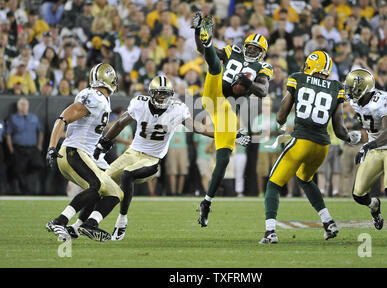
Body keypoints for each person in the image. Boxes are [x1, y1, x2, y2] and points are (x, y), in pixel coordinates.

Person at [77, 75, 250, 241]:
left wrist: (230, 134)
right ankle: (78, 225)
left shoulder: (178, 108)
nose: (161, 97)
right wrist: (105, 142)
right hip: (132, 153)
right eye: (158, 93)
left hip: (151, 158)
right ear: (151, 93)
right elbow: (120, 123)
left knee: (127, 175)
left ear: (171, 95)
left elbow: (199, 128)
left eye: (165, 94)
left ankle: (121, 220)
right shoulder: (139, 103)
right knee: (102, 183)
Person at [259, 51, 361, 244]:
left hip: (302, 141)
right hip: (322, 146)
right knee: (304, 178)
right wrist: (350, 137)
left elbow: (280, 117)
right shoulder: (336, 87)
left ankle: (270, 231)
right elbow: (339, 128)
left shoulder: (297, 78)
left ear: (311, 65)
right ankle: (328, 222)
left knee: (273, 184)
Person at [193, 11, 273, 227]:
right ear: (244, 46)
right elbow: (202, 50)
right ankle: (206, 33)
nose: (251, 51)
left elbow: (263, 90)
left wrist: (248, 84)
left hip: (226, 109)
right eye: (249, 47)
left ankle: (207, 202)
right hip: (213, 93)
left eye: (256, 49)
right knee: (216, 67)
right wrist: (198, 33)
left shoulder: (264, 67)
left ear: (262, 53)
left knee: (224, 157)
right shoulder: (232, 51)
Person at [45, 63, 124, 242]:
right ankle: (59, 221)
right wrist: (52, 146)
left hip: (85, 154)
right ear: (109, 79)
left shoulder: (102, 99)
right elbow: (63, 118)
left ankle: (83, 226)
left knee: (115, 192)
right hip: (74, 151)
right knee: (95, 186)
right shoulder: (94, 96)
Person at [345, 68, 387, 246]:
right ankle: (374, 205)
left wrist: (368, 145)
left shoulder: (383, 100)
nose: (350, 91)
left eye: (353, 88)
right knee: (358, 194)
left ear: (364, 88)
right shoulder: (356, 102)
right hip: (374, 149)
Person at [6, 97, 44, 195]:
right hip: (19, 148)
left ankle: (30, 186)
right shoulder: (13, 118)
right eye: (21, 104)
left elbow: (40, 131)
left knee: (38, 165)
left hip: (32, 148)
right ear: (18, 106)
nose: (23, 106)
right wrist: (11, 149)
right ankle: (25, 191)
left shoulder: (34, 117)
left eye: (25, 104)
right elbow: (8, 134)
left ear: (28, 106)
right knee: (19, 170)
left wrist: (39, 145)